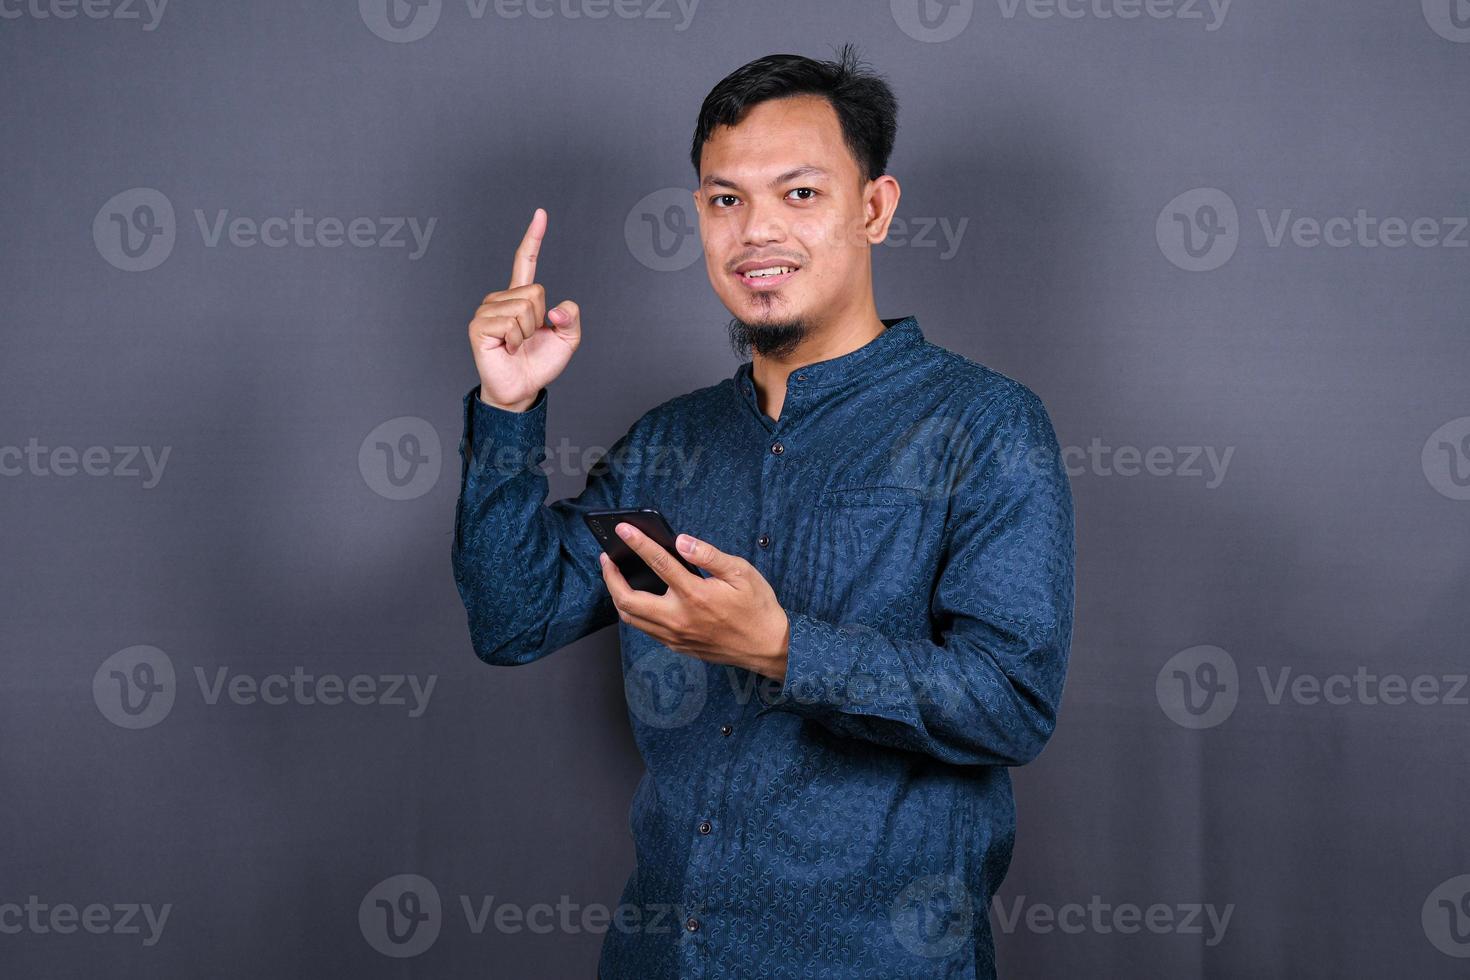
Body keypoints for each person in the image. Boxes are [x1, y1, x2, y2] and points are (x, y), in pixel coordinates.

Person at [452, 44, 1075, 980]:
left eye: (800, 193)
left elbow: (1012, 704)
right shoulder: (669, 441)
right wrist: (506, 412)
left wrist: (786, 650)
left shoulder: (985, 425)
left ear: (874, 207)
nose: (755, 233)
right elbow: (512, 618)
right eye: (724, 200)